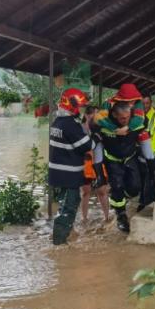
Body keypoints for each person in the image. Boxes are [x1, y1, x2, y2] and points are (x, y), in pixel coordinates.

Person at [47, 88, 93, 244]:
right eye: (80, 106)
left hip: (57, 175)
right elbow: (87, 146)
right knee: (68, 209)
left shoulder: (57, 122)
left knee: (62, 206)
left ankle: (63, 236)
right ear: (71, 105)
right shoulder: (70, 125)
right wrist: (96, 137)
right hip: (68, 176)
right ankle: (59, 245)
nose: (81, 110)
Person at [94, 100, 146, 233]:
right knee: (117, 186)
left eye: (128, 117)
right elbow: (93, 126)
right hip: (112, 160)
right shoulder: (105, 125)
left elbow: (143, 126)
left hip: (130, 158)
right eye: (123, 118)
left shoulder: (135, 123)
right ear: (115, 115)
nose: (126, 120)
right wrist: (99, 173)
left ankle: (125, 195)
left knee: (135, 188)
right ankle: (121, 215)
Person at [81, 105, 111, 225]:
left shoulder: (102, 129)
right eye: (95, 115)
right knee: (85, 192)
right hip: (85, 164)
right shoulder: (81, 129)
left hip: (99, 164)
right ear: (87, 116)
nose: (98, 118)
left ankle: (107, 217)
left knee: (102, 191)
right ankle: (84, 219)